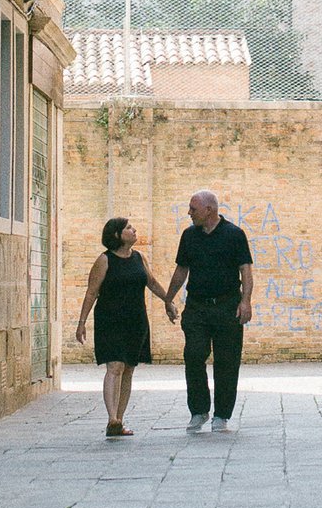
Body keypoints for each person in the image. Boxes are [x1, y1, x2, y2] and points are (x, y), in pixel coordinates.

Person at [164, 188, 253, 433]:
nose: (189, 213)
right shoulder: (189, 236)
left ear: (209, 210)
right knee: (193, 355)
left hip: (227, 306)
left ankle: (222, 415)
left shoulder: (234, 234)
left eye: (193, 209)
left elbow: (245, 270)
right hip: (197, 307)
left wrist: (245, 301)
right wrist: (168, 298)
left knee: (227, 361)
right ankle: (199, 411)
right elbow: (181, 270)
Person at [73, 217, 166, 439]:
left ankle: (120, 420)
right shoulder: (104, 260)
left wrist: (168, 301)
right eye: (128, 228)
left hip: (136, 320)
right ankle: (112, 418)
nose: (134, 230)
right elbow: (91, 291)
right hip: (110, 320)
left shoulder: (139, 258)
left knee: (129, 369)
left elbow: (151, 282)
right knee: (114, 366)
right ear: (117, 235)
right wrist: (81, 322)